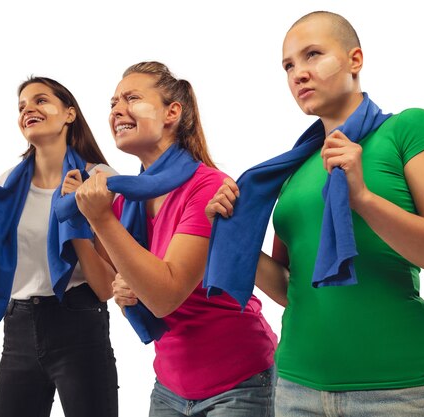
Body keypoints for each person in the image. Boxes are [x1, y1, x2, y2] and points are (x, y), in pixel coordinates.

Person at [205, 11, 424, 417]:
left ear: (355, 60)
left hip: (403, 390)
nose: (298, 73)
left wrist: (363, 197)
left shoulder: (408, 129)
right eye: (288, 65)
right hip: (297, 388)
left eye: (313, 54)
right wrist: (228, 233)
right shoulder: (295, 168)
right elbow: (293, 289)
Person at [63, 61, 278, 416]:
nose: (117, 110)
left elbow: (164, 295)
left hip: (239, 382)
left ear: (172, 113)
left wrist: (99, 217)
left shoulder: (208, 187)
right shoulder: (125, 200)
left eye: (131, 98)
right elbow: (121, 279)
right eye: (113, 103)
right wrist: (122, 286)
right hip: (170, 386)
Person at [0, 76, 118, 417]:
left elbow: (106, 287)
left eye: (40, 101)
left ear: (69, 114)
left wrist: (75, 217)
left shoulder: (99, 179)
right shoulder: (4, 188)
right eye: (21, 107)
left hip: (79, 323)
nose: (28, 109)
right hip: (18, 329)